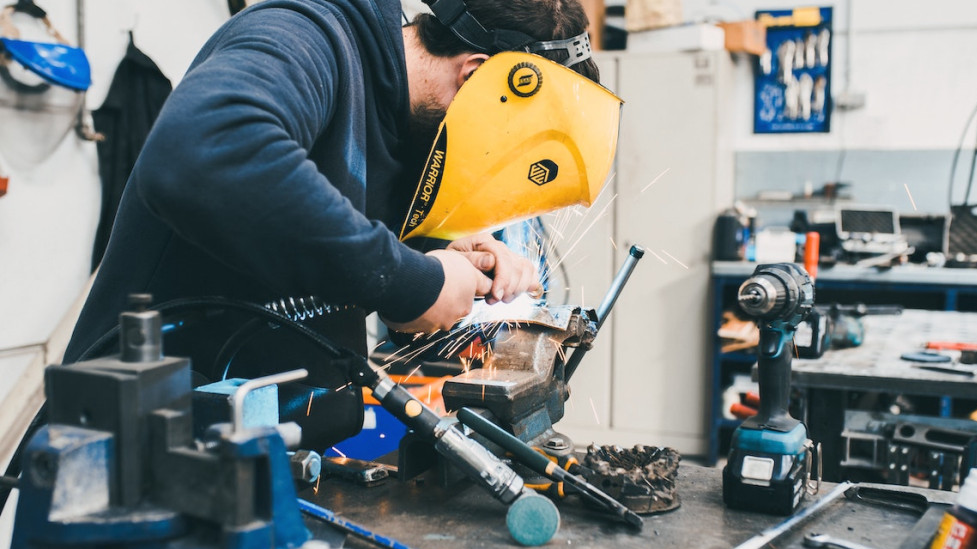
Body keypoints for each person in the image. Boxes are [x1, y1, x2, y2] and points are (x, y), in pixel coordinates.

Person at [60, 0, 601, 448]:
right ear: (477, 74)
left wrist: (442, 254)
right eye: (501, 142)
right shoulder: (307, 36)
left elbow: (343, 246)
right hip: (142, 454)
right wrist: (413, 282)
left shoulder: (407, 125)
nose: (489, 161)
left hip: (273, 455)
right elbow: (204, 152)